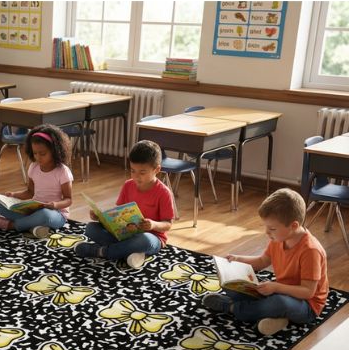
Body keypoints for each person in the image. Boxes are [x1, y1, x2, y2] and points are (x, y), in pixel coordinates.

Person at [202, 187, 329, 336]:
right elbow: (262, 261)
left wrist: (276, 287)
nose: (267, 232)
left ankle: (231, 307)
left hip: (306, 307)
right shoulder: (279, 238)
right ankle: (276, 318)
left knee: (279, 303)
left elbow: (308, 292)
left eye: (272, 228)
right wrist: (238, 260)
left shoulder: (311, 251)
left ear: (294, 226)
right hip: (279, 291)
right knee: (233, 287)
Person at [73, 139, 174, 269]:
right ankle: (128, 253)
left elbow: (168, 224)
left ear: (157, 170)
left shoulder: (164, 193)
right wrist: (101, 218)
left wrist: (153, 224)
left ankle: (102, 251)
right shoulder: (128, 185)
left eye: (142, 172)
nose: (136, 176)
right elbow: (118, 213)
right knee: (91, 228)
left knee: (144, 241)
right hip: (125, 234)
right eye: (133, 171)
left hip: (152, 237)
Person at [0, 124, 74, 237]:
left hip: (56, 214)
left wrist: (55, 205)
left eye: (42, 154)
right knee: (0, 205)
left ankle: (13, 225)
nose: (38, 157)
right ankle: (33, 226)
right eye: (35, 153)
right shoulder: (34, 167)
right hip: (34, 211)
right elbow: (30, 192)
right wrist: (13, 195)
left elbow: (68, 200)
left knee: (45, 215)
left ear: (55, 150)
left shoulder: (63, 171)